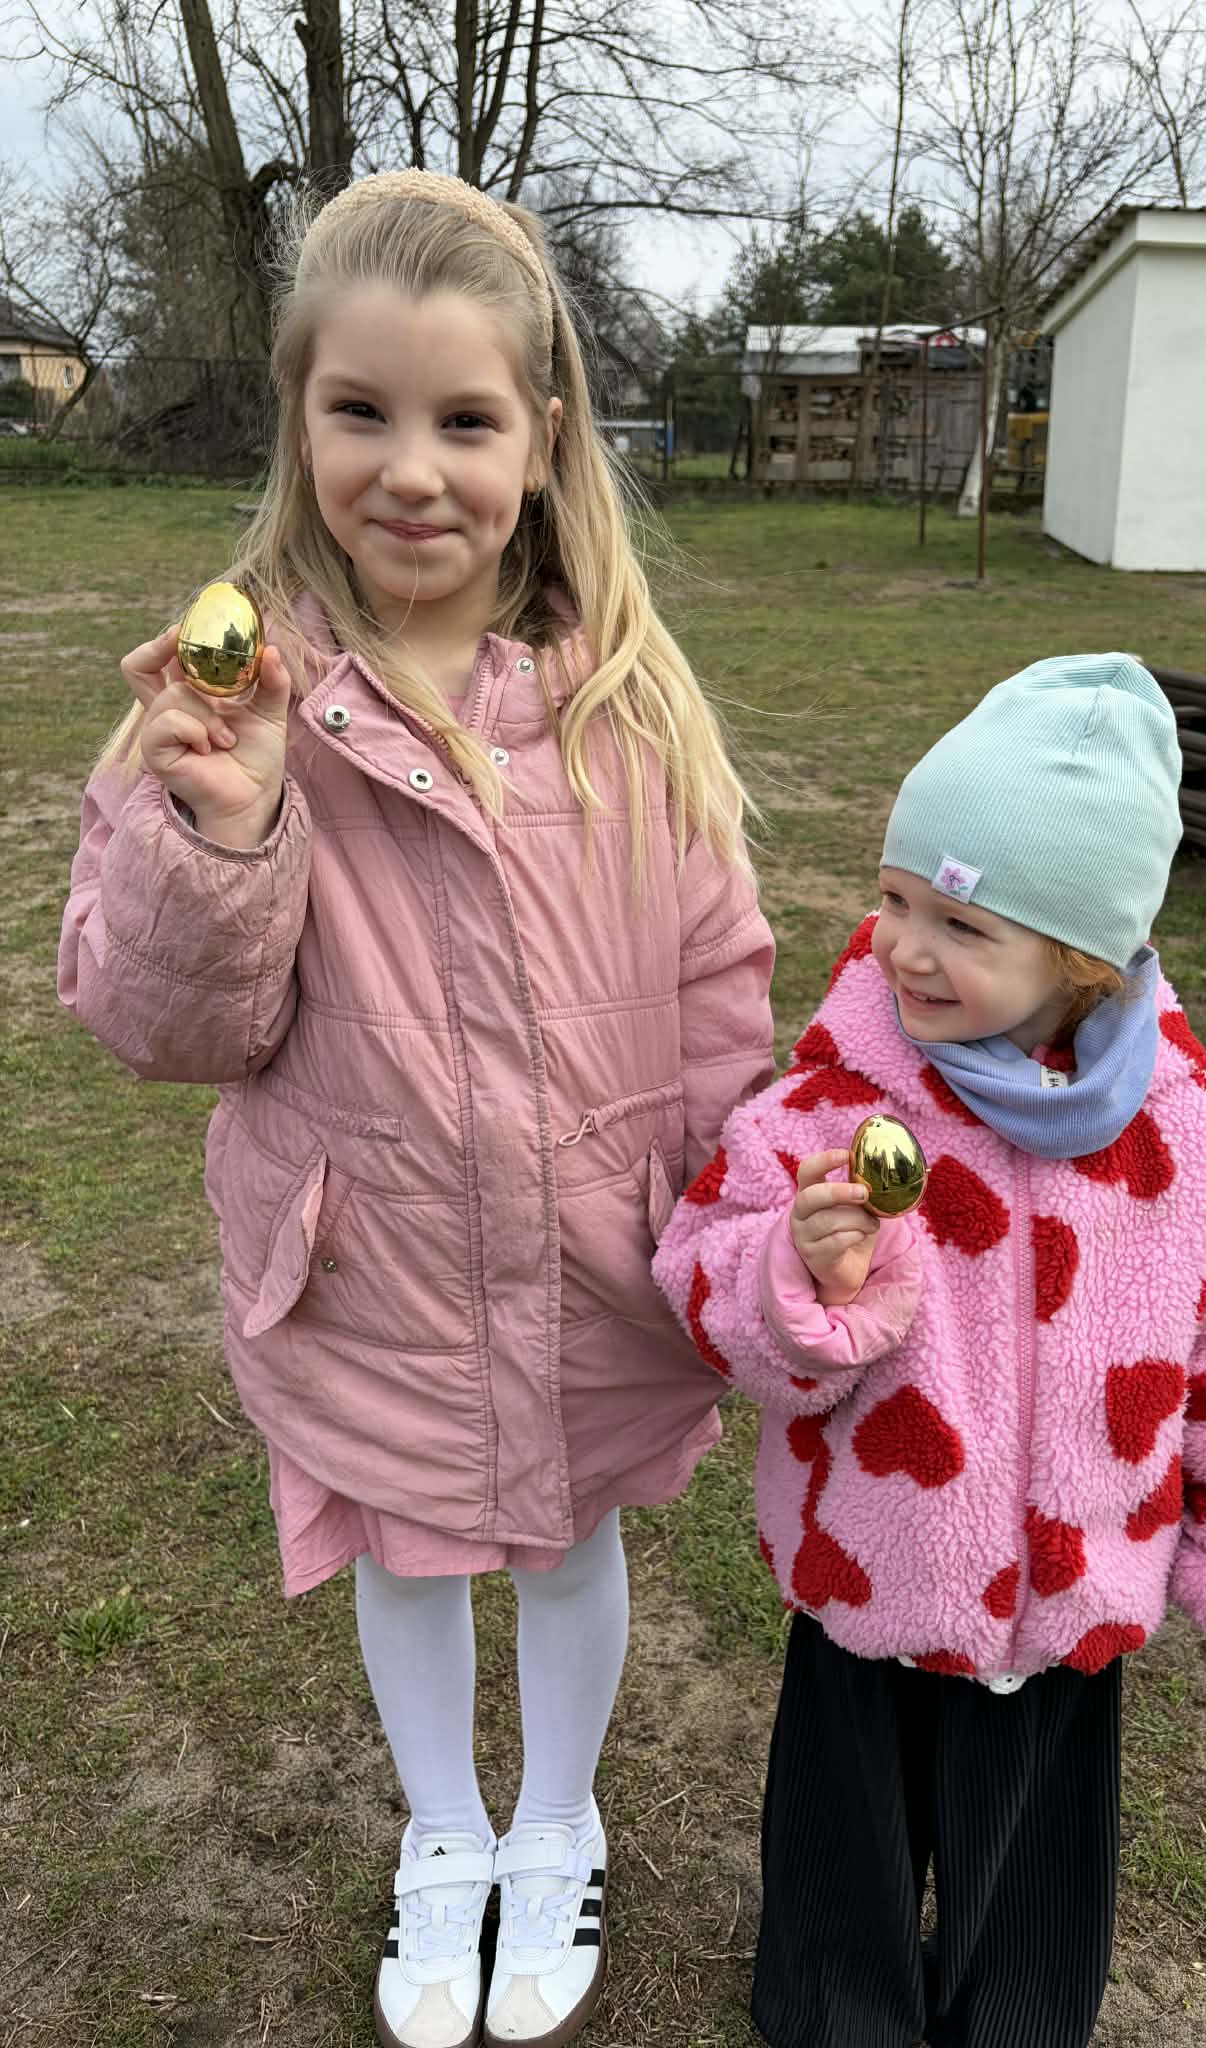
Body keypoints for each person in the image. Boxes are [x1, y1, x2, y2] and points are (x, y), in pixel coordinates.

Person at [57, 170, 775, 2048]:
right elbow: (160, 1024)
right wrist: (222, 833)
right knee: (407, 1544)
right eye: (360, 410)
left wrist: (739, 1211)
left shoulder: (626, 707)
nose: (411, 469)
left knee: (569, 1537)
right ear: (299, 417)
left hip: (592, 1248)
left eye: (464, 420)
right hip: (365, 1256)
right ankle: (444, 1828)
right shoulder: (236, 707)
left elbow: (717, 980)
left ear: (542, 436)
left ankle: (558, 1818)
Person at [654, 652, 1206, 2048]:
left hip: (1077, 1599)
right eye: (898, 898)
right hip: (871, 1578)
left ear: (1082, 957)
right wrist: (798, 1272)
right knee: (840, 1852)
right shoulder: (830, 1108)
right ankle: (835, 2015)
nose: (905, 947)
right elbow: (702, 1277)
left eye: (963, 923)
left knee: (1034, 1888)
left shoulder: (1199, 1146)